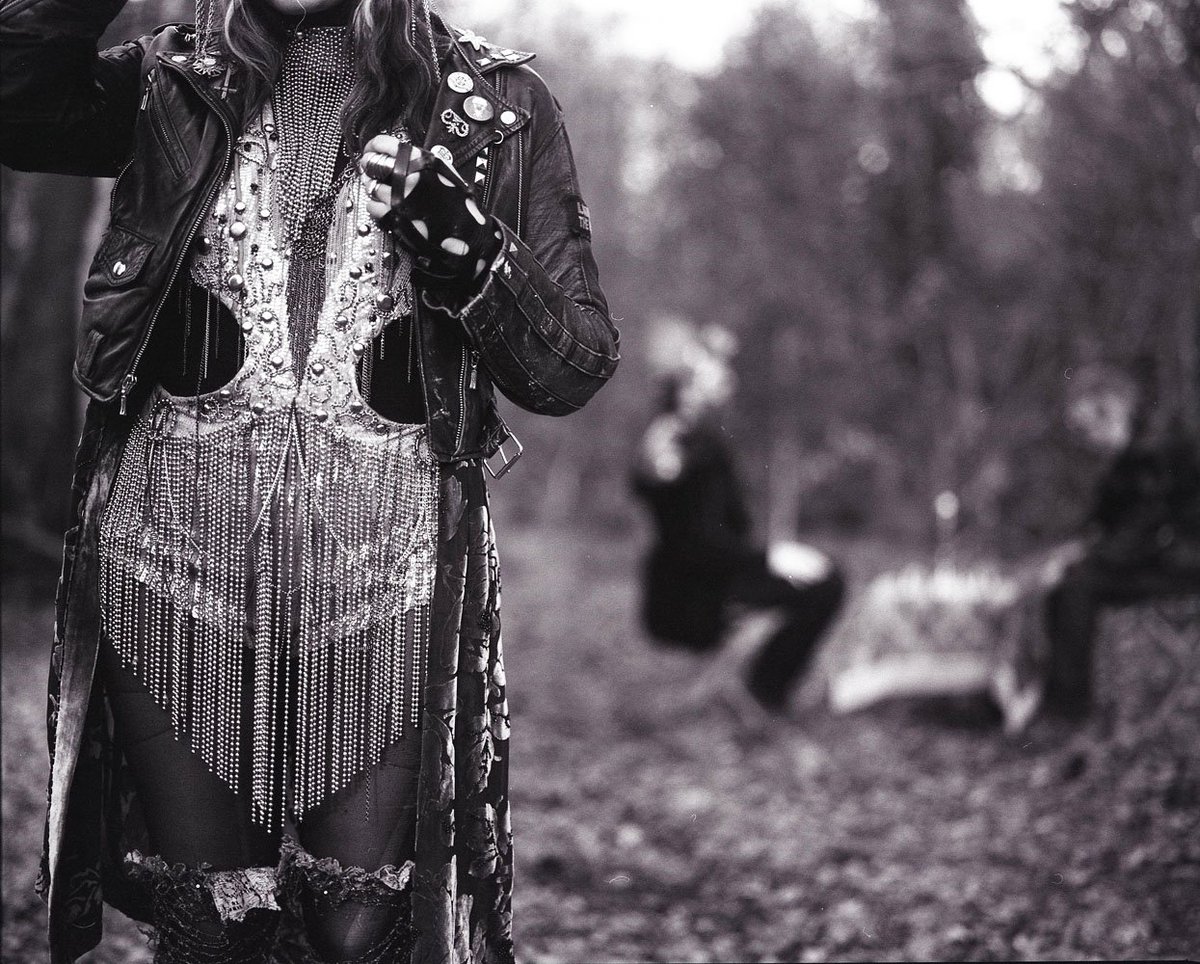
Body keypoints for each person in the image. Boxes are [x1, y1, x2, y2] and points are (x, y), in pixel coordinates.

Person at [1, 0, 618, 959]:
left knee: (358, 921)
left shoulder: (498, 106)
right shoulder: (171, 80)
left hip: (390, 566)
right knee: (210, 923)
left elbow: (572, 365)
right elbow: (14, 90)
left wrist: (463, 243)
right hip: (173, 555)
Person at [630, 323, 843, 712]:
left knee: (824, 575)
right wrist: (772, 558)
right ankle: (764, 691)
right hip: (695, 597)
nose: (729, 379)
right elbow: (696, 542)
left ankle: (765, 687)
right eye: (718, 370)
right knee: (827, 583)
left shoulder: (690, 438)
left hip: (691, 585)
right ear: (690, 385)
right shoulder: (679, 443)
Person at [1042, 370, 1200, 719]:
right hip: (1156, 555)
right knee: (1061, 588)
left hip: (1181, 560)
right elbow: (1104, 521)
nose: (1085, 441)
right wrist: (1074, 550)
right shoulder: (1128, 457)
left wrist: (1086, 559)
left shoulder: (1158, 450)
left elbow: (1144, 529)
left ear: (1113, 408)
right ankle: (1051, 700)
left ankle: (1069, 709)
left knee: (1077, 588)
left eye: (1087, 428)